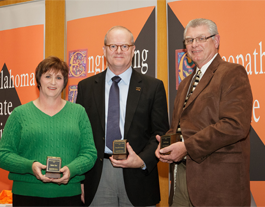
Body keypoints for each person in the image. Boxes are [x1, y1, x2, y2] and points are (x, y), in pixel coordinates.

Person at [156, 18, 253, 207]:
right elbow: (181, 127)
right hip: (181, 179)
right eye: (189, 40)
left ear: (216, 41)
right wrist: (165, 145)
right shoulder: (185, 83)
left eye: (201, 38)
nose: (194, 45)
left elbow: (235, 126)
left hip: (216, 184)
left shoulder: (232, 73)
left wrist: (187, 147)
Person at [76, 26, 169, 206]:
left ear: (133, 50)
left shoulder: (153, 87)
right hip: (96, 176)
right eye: (113, 46)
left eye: (124, 46)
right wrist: (79, 178)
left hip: (139, 176)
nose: (119, 51)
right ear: (104, 50)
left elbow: (160, 133)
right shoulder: (86, 87)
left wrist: (141, 160)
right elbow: (80, 136)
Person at [0, 56, 97, 206]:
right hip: (27, 196)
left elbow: (89, 153)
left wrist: (72, 169)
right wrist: (30, 166)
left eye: (59, 77)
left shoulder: (78, 112)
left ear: (65, 83)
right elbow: (2, 155)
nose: (53, 82)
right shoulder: (19, 114)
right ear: (38, 80)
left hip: (68, 195)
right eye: (48, 76)